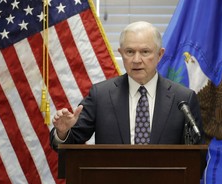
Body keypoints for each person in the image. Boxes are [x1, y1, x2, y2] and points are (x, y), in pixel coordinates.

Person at [50, 21, 205, 150]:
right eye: (130, 52)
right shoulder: (101, 95)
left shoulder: (183, 99)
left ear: (159, 55)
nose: (136, 60)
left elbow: (196, 159)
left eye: (145, 52)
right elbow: (69, 144)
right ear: (121, 53)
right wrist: (63, 132)